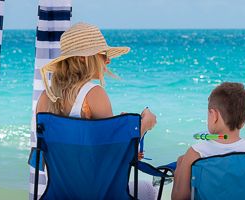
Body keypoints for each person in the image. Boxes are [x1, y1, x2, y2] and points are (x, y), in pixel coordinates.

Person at [35, 22, 159, 199]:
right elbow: (110, 160)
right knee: (148, 189)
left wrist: (121, 134)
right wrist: (144, 125)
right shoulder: (93, 94)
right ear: (83, 58)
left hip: (61, 193)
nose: (108, 60)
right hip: (96, 193)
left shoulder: (45, 98)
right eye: (103, 54)